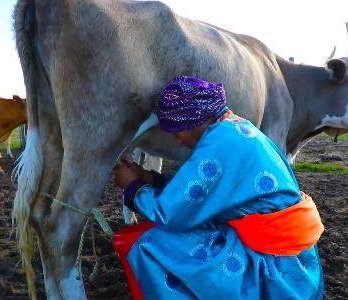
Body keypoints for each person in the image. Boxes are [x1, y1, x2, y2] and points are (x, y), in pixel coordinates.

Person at [113, 76, 324, 300]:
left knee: (151, 245)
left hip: (274, 269)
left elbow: (169, 214)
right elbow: (205, 194)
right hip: (299, 264)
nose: (177, 140)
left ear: (194, 120)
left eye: (177, 130)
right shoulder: (235, 127)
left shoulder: (219, 145)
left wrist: (133, 186)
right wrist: (149, 178)